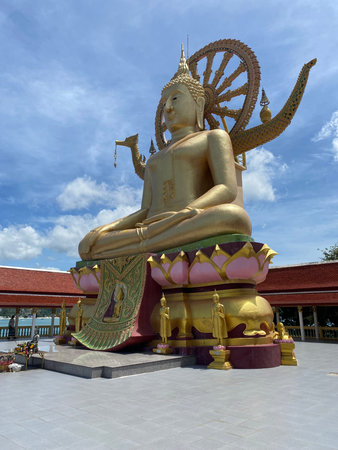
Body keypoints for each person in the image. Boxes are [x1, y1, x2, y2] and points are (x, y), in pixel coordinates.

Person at [78, 47, 251, 260]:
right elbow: (146, 210)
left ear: (198, 102)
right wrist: (105, 228)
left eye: (175, 99)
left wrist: (187, 212)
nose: (167, 108)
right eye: (165, 102)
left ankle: (146, 244)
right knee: (88, 245)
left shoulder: (213, 137)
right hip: (152, 228)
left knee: (233, 217)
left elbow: (226, 189)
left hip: (186, 221)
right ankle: (147, 242)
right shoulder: (154, 159)